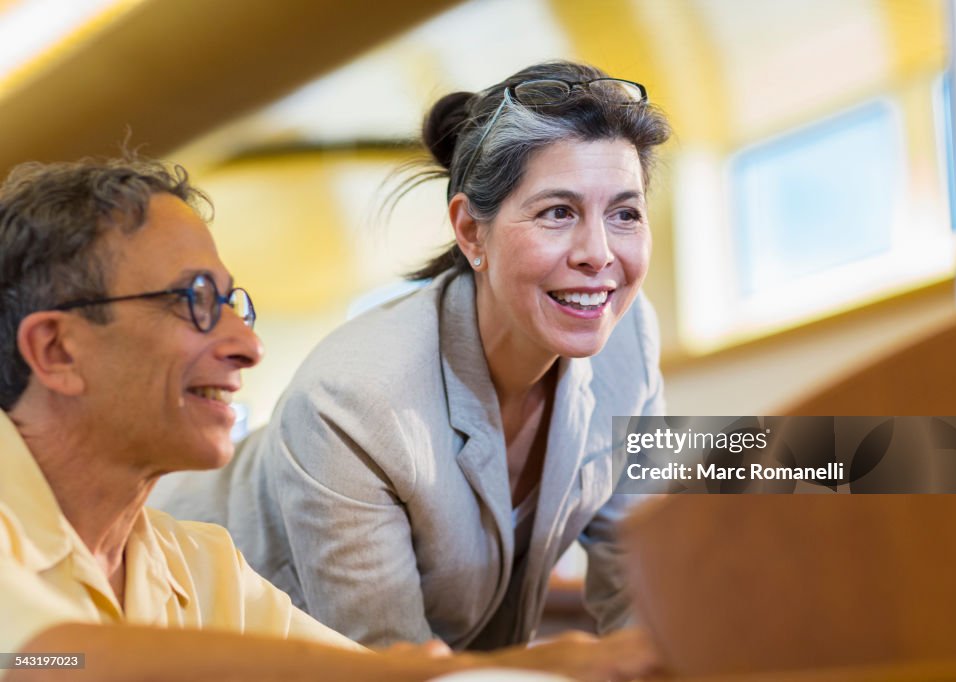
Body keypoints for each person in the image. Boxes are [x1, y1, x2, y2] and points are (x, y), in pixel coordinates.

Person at [0, 156, 659, 682]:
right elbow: (42, 662)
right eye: (195, 300)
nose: (248, 346)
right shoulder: (358, 393)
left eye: (625, 212)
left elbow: (358, 671)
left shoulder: (197, 562)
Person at [155, 60, 671, 650]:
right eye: (559, 212)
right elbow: (387, 662)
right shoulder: (355, 399)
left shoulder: (628, 342)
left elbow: (642, 568)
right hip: (187, 627)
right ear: (472, 233)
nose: (598, 253)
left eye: (624, 214)